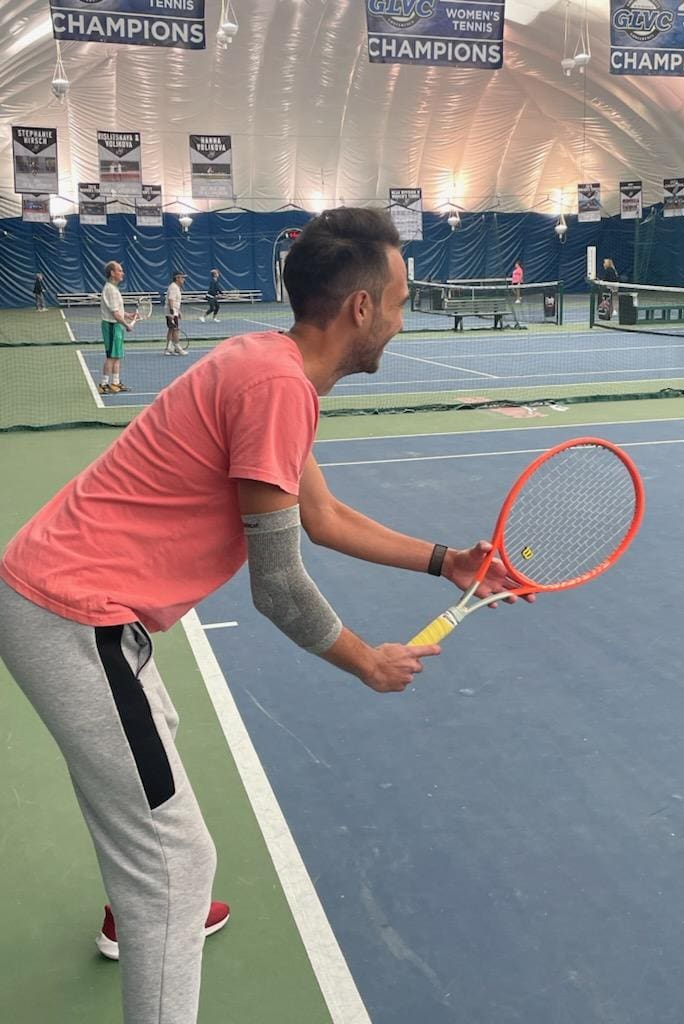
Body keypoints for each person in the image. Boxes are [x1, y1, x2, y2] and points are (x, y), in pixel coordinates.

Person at [0, 207, 529, 1024]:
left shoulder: (270, 368)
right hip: (71, 615)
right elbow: (278, 586)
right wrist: (365, 659)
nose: (400, 315)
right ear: (360, 308)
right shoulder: (278, 384)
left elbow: (320, 516)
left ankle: (130, 913)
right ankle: (154, 902)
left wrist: (442, 561)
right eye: (397, 299)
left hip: (73, 607)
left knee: (151, 755)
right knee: (177, 864)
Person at [99, 260, 134, 394]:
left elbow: (117, 309)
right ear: (112, 273)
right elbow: (115, 314)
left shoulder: (113, 289)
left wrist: (127, 314)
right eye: (119, 270)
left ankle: (115, 383)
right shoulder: (110, 290)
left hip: (116, 325)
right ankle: (103, 384)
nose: (122, 273)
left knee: (117, 356)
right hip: (112, 326)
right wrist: (127, 325)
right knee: (111, 357)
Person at [165, 270, 187, 355]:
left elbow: (175, 302)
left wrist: (178, 311)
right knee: (175, 330)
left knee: (171, 329)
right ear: (177, 278)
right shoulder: (173, 287)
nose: (183, 279)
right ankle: (177, 348)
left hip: (174, 311)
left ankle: (169, 348)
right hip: (171, 313)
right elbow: (171, 299)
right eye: (182, 277)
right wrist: (172, 312)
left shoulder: (176, 287)